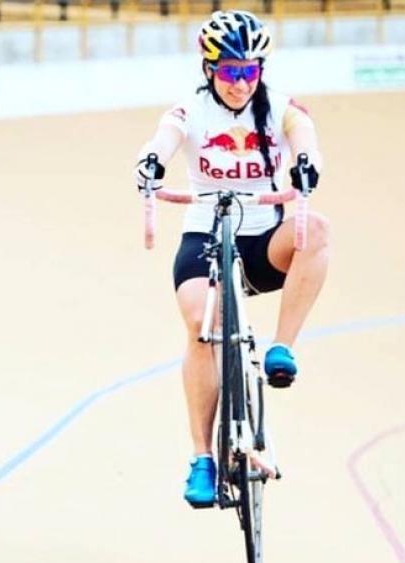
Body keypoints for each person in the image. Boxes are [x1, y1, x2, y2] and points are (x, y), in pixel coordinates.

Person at [133, 10, 330, 508]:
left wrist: (307, 164)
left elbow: (305, 137)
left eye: (249, 71)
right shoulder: (189, 112)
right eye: (229, 72)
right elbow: (164, 140)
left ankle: (282, 348)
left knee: (319, 230)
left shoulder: (281, 109)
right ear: (209, 70)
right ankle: (202, 457)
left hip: (264, 240)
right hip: (204, 234)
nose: (241, 83)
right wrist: (151, 162)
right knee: (202, 323)